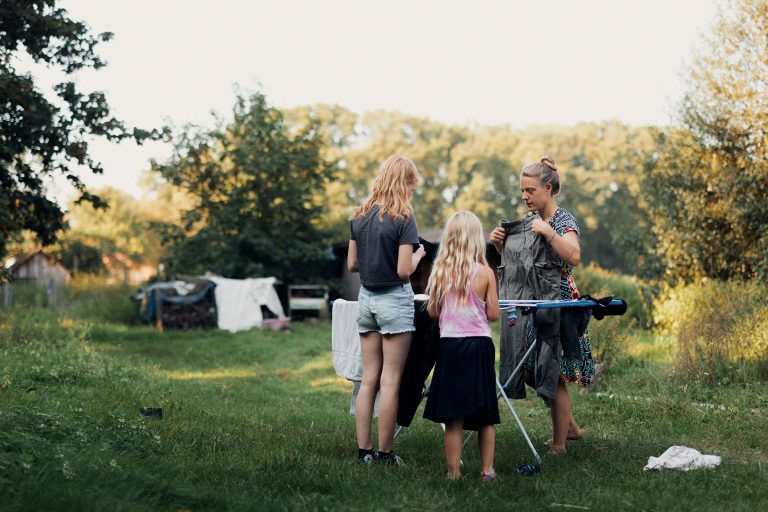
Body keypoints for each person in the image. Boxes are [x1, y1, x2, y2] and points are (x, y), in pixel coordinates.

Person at [490, 155, 594, 455]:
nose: (524, 196)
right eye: (522, 190)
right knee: (526, 369)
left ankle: (560, 443)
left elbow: (573, 256)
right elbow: (521, 262)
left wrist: (549, 233)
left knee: (553, 370)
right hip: (531, 300)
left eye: (530, 190)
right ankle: (571, 427)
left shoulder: (563, 220)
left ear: (548, 188)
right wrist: (500, 245)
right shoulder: (527, 222)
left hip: (558, 303)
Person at [347, 155, 427, 467]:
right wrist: (419, 254)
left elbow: (352, 264)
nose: (413, 191)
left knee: (369, 379)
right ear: (405, 182)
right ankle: (385, 454)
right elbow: (404, 270)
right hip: (393, 301)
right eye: (412, 184)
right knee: (391, 380)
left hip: (366, 299)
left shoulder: (360, 214)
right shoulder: (403, 217)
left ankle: (363, 452)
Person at [423, 211, 501, 480]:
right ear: (475, 240)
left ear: (449, 239)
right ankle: (487, 471)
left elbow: (433, 311)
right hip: (479, 346)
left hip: (450, 348)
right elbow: (493, 315)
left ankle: (453, 472)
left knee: (453, 415)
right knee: (485, 413)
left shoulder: (440, 272)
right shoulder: (486, 273)